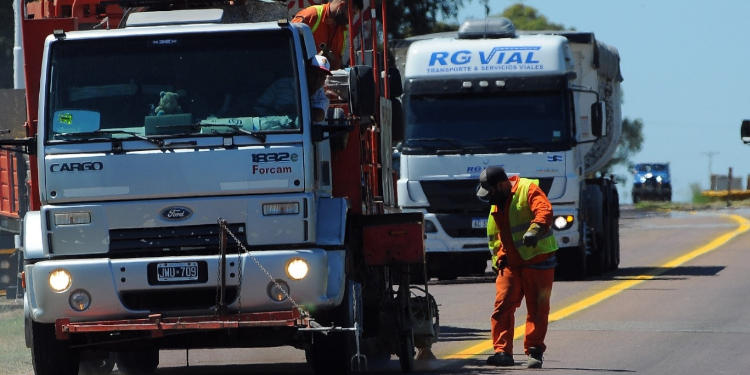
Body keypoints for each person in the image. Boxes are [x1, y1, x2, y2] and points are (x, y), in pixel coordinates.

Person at [476, 166, 558, 369]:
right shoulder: (497, 203)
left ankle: (534, 351)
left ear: (503, 185)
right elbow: (495, 238)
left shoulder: (527, 189)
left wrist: (535, 229)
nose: (489, 198)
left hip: (538, 259)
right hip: (511, 263)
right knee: (502, 306)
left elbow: (544, 210)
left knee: (538, 308)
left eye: (491, 192)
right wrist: (498, 262)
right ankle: (502, 352)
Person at [291, 0, 363, 70]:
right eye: (352, 13)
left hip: (323, 79)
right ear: (341, 5)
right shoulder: (311, 15)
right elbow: (288, 48)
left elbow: (337, 63)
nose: (352, 19)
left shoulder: (342, 29)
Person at [308, 54, 332, 122]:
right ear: (307, 71)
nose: (318, 79)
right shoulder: (286, 85)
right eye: (315, 73)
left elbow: (318, 116)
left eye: (322, 76)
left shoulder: (323, 97)